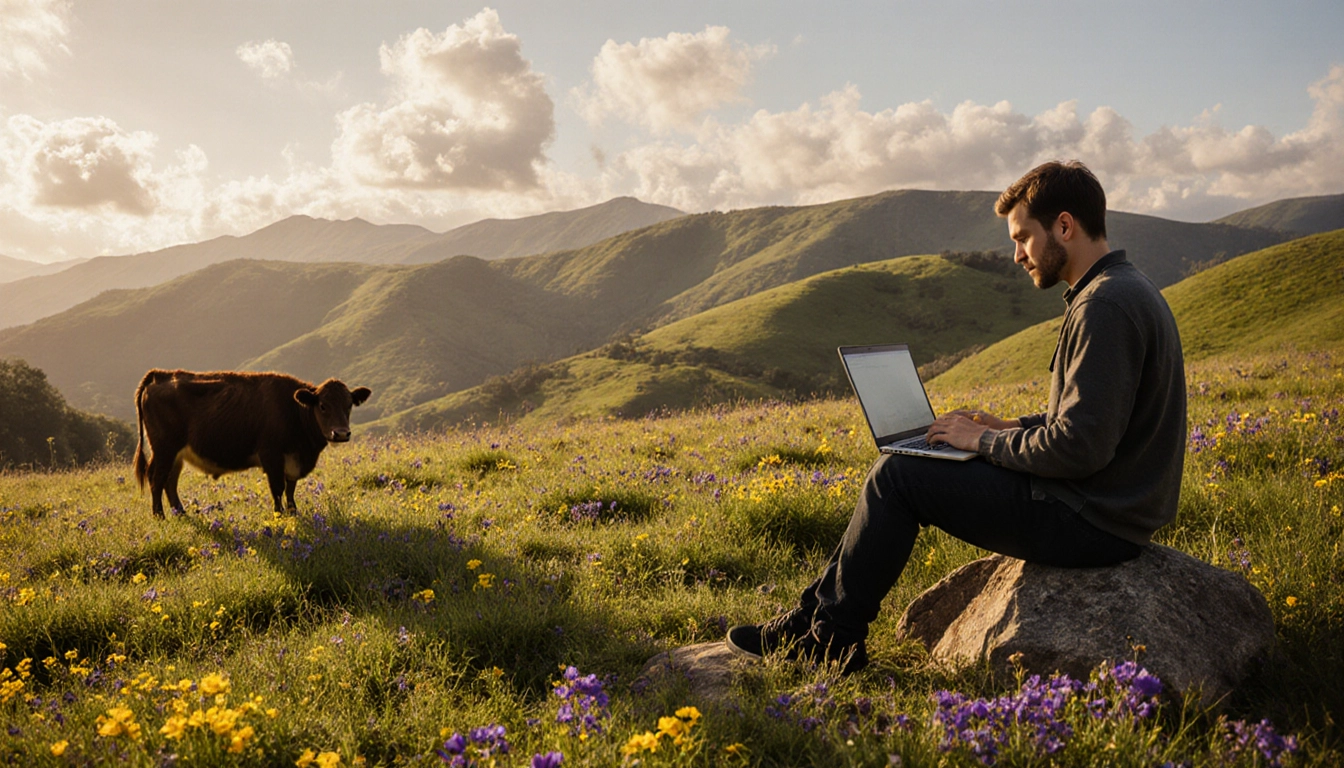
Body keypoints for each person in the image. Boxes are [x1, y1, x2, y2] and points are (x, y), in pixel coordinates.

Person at [725, 160, 1187, 673]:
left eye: (1023, 238)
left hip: (1090, 518)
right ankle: (812, 622)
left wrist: (980, 443)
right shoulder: (1122, 288)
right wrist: (1007, 429)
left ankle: (833, 638)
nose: (1016, 256)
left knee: (897, 477)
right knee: (903, 469)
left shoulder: (1104, 305)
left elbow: (1080, 448)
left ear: (1063, 225)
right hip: (1107, 507)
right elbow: (1093, 420)